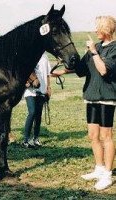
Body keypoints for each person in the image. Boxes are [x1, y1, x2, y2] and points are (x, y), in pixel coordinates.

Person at [53, 16, 116, 190]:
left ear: (106, 29)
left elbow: (103, 70)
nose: (95, 31)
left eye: (98, 28)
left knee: (106, 137)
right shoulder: (93, 50)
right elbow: (80, 69)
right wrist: (61, 72)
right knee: (93, 136)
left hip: (106, 97)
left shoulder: (114, 49)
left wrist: (94, 52)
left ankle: (107, 175)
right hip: (91, 96)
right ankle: (99, 168)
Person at [22, 53, 51, 148]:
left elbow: (47, 74)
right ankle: (25, 140)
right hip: (30, 90)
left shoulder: (45, 56)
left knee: (38, 115)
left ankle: (35, 138)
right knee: (32, 112)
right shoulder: (30, 54)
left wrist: (48, 87)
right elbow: (23, 71)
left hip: (42, 89)